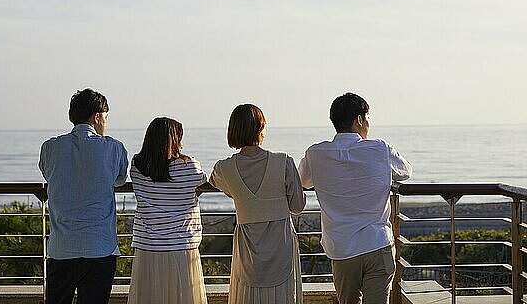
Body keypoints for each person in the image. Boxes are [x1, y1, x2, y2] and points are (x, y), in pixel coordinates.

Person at [298, 92, 412, 304]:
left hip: (341, 249)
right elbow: (405, 172)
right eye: (368, 118)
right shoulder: (379, 149)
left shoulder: (315, 154)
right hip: (377, 244)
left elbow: (303, 182)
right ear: (359, 119)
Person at [39, 88, 129, 304]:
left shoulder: (50, 147)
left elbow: (47, 173)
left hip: (61, 249)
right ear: (97, 117)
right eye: (106, 118)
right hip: (100, 248)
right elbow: (120, 180)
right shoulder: (114, 148)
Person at [209, 104, 306, 304]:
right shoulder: (284, 161)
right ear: (260, 129)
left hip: (247, 247)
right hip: (281, 245)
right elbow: (297, 206)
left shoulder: (223, 168)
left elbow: (224, 188)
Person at [128, 117, 208, 304]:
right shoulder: (189, 167)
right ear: (175, 140)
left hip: (147, 247)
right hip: (181, 247)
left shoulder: (137, 166)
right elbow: (201, 183)